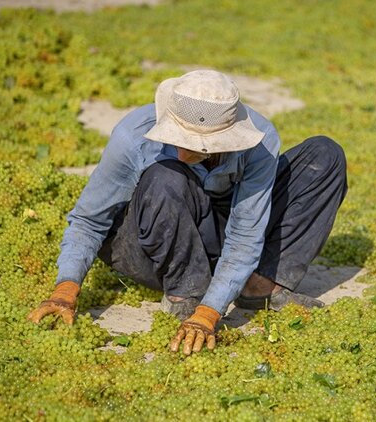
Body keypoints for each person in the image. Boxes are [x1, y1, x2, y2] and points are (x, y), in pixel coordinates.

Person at [27, 70, 347, 356]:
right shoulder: (132, 136)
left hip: (219, 231)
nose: (182, 151)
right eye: (176, 138)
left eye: (197, 145)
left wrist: (210, 315)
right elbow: (89, 219)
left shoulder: (259, 141)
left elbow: (245, 233)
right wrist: (65, 289)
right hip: (156, 241)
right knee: (165, 175)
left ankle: (257, 285)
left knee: (324, 155)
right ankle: (185, 296)